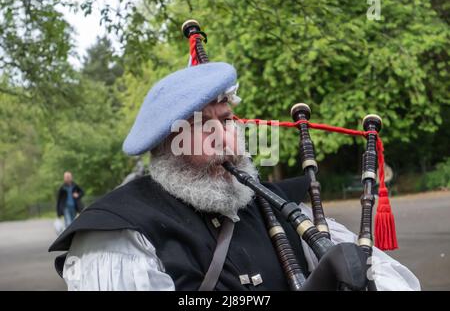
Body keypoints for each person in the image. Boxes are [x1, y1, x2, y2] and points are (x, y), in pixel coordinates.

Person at [49, 24, 420, 290]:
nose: (224, 140)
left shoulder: (281, 209)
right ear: (166, 146)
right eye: (200, 127)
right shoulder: (120, 236)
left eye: (226, 121)